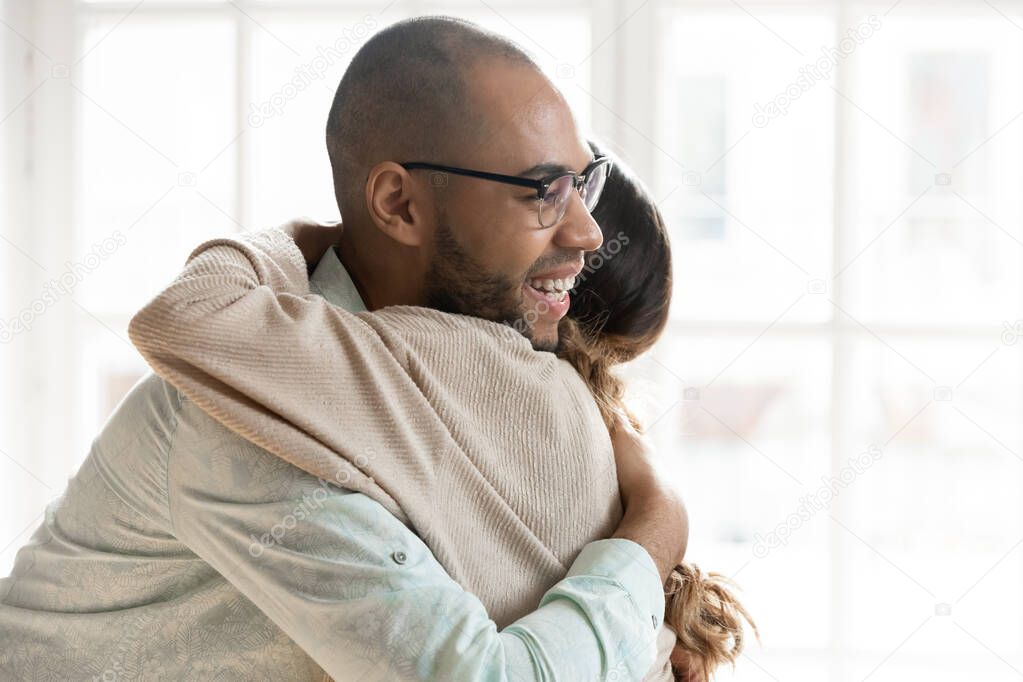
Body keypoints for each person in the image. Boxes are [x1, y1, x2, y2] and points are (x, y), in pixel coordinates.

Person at [0, 16, 689, 681]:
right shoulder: (256, 415)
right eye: (543, 190)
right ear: (398, 204)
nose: (588, 233)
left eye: (584, 181)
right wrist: (656, 526)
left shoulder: (478, 375)